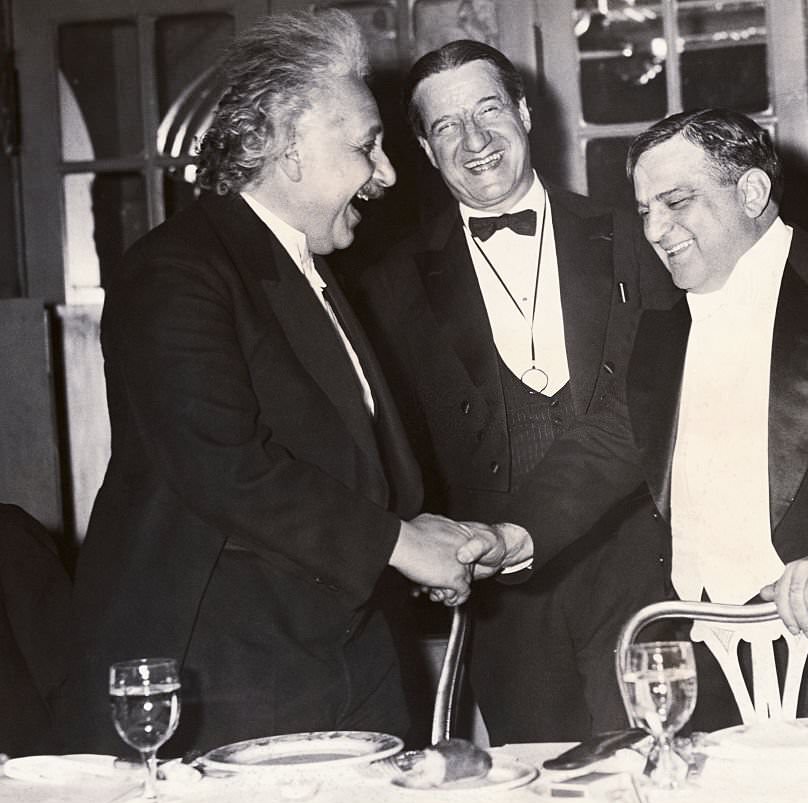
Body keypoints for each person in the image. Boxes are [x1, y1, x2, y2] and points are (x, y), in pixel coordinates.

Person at [60, 9, 501, 756]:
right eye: (367, 145)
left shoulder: (312, 270)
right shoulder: (176, 271)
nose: (388, 173)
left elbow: (345, 462)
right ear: (288, 145)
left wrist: (425, 540)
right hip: (224, 673)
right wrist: (399, 542)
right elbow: (223, 468)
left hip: (336, 655)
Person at [493, 108, 808, 726]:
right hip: (700, 657)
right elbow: (607, 442)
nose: (655, 229)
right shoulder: (659, 326)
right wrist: (518, 534)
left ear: (753, 191)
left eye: (676, 202)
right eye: (645, 209)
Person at [353, 40, 672, 744]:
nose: (474, 141)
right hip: (500, 599)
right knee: (531, 783)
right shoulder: (388, 282)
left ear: (526, 114)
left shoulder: (634, 238)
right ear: (428, 154)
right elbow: (383, 445)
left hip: (640, 574)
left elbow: (665, 410)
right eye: (446, 127)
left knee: (651, 771)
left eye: (489, 109)